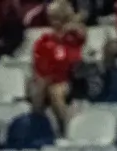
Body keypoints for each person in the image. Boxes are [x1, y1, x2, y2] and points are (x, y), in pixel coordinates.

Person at [30, 1, 86, 133]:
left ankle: (66, 128)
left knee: (55, 92)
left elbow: (82, 33)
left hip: (71, 78)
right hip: (48, 79)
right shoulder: (44, 41)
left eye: (59, 17)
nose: (55, 21)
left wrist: (69, 24)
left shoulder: (73, 36)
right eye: (52, 17)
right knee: (38, 88)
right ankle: (37, 127)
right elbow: (38, 65)